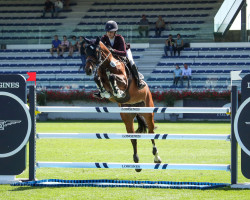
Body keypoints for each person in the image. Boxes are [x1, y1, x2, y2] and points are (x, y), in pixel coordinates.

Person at [94, 20, 146, 98]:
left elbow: (123, 53)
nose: (109, 33)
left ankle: (139, 81)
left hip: (123, 52)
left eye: (111, 32)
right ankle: (101, 89)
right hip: (111, 56)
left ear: (115, 32)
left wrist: (113, 51)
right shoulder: (104, 38)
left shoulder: (119, 38)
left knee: (131, 62)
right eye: (108, 32)